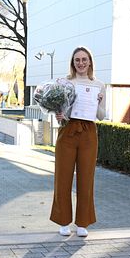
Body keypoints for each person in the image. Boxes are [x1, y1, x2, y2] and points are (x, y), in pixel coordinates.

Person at [51, 46, 106, 237]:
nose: (81, 63)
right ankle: (63, 221)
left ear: (90, 61)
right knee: (63, 178)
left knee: (86, 178)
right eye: (77, 60)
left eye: (84, 59)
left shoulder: (99, 84)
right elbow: (60, 112)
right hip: (67, 130)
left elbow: (101, 116)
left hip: (88, 132)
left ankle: (83, 223)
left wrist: (98, 102)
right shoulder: (64, 82)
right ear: (73, 63)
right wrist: (59, 114)